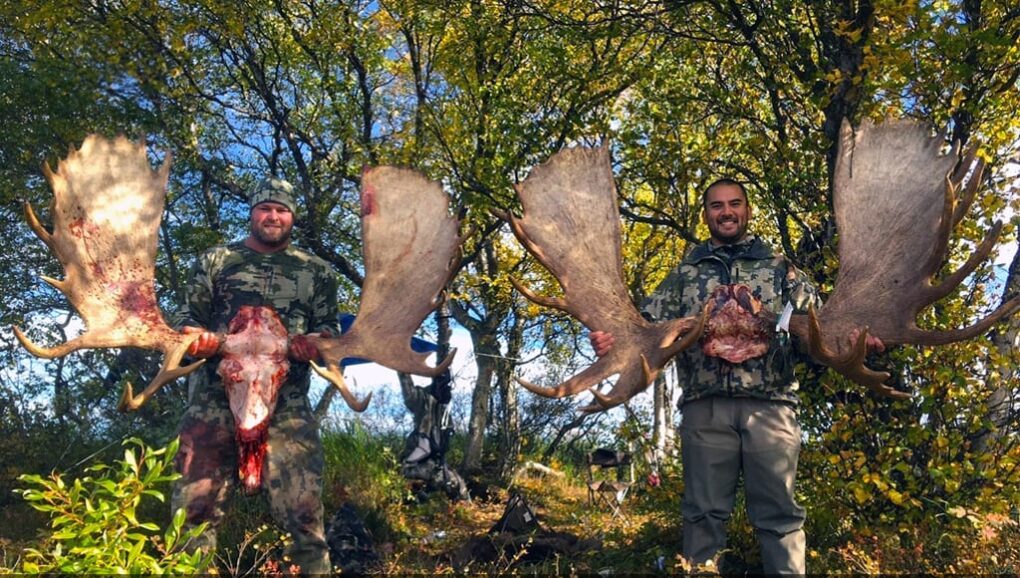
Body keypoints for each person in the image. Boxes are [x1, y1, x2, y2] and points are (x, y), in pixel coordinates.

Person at [590, 178, 881, 574]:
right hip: (704, 408)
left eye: (734, 203)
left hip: (772, 408)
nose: (726, 212)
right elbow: (644, 332)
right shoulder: (684, 274)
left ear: (746, 210)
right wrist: (613, 342)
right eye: (716, 206)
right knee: (702, 516)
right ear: (706, 213)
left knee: (780, 516)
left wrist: (852, 340)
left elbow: (819, 331)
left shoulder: (781, 270)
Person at [171, 177, 339, 574]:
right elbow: (185, 318)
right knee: (192, 511)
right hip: (214, 400)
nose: (273, 216)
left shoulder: (316, 271)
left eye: (281, 210)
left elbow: (330, 330)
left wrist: (314, 342)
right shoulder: (216, 261)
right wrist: (195, 337)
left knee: (304, 515)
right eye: (265, 208)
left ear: (292, 217)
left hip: (287, 403)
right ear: (252, 213)